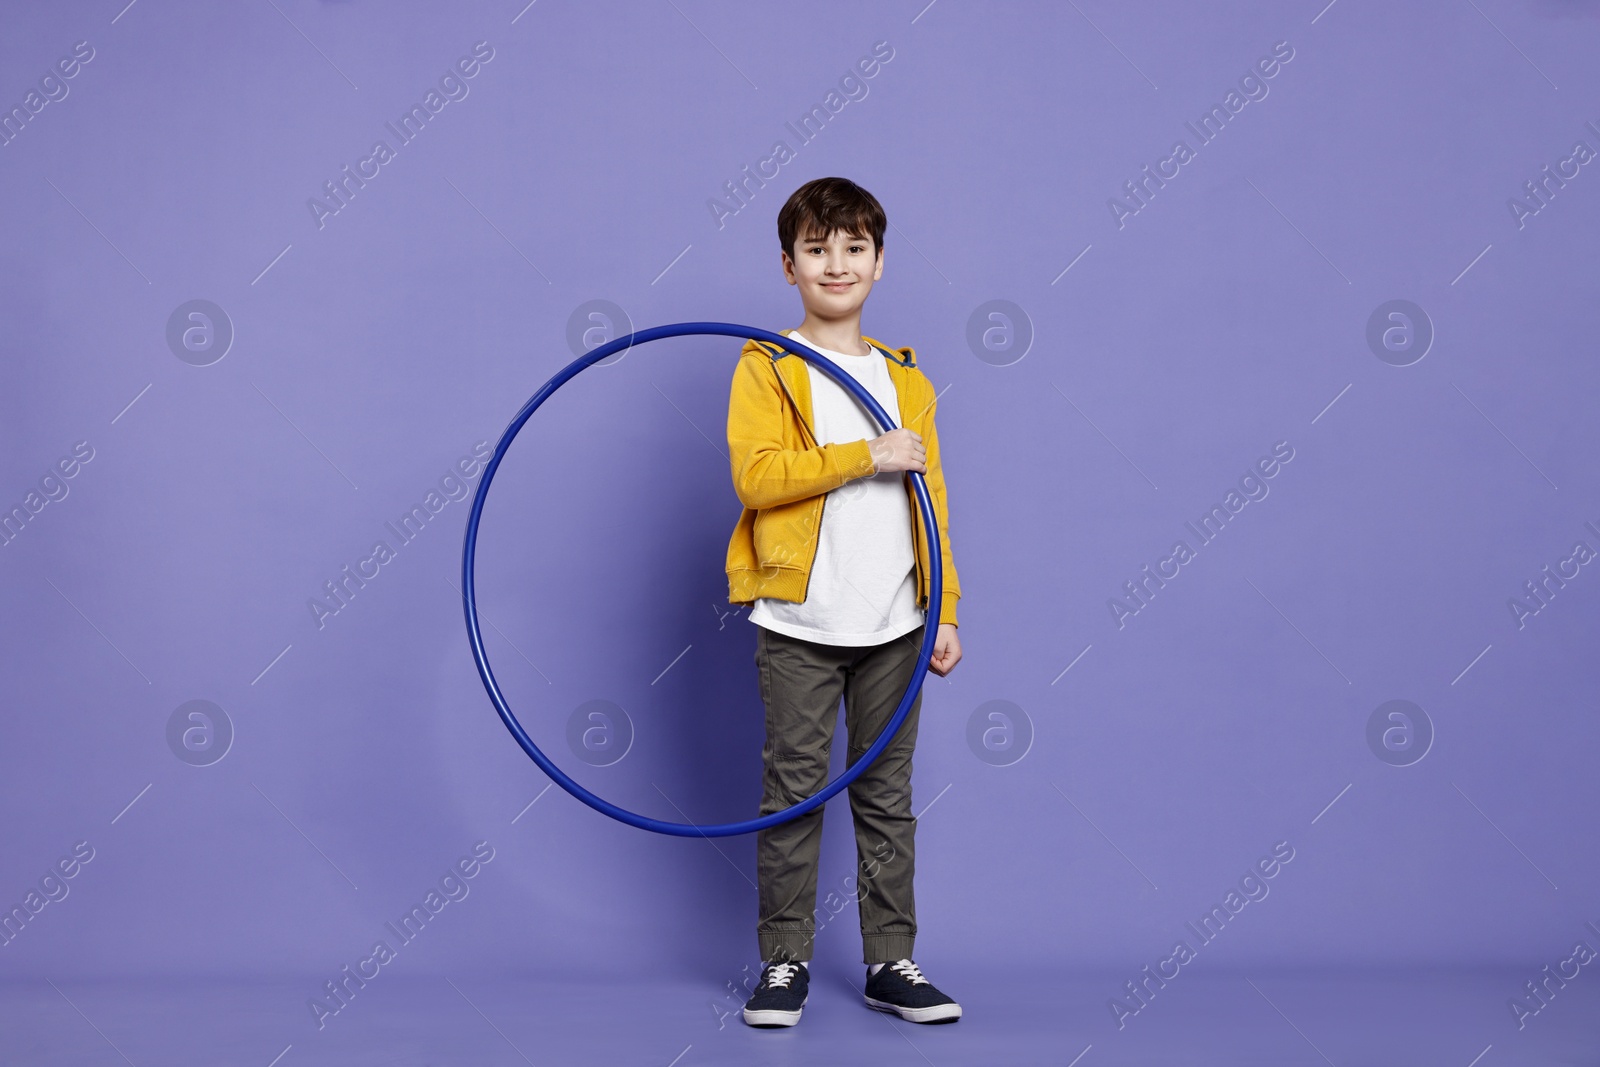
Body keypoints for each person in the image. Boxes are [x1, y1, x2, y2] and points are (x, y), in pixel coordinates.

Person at [724, 176, 963, 1028]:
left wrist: (949, 610)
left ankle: (889, 960)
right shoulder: (769, 365)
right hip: (799, 622)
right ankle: (784, 962)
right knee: (792, 790)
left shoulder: (908, 379)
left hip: (898, 622)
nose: (837, 263)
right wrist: (865, 453)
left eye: (853, 247)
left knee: (885, 795)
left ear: (879, 262)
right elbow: (756, 479)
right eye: (817, 249)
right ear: (789, 265)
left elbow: (932, 501)